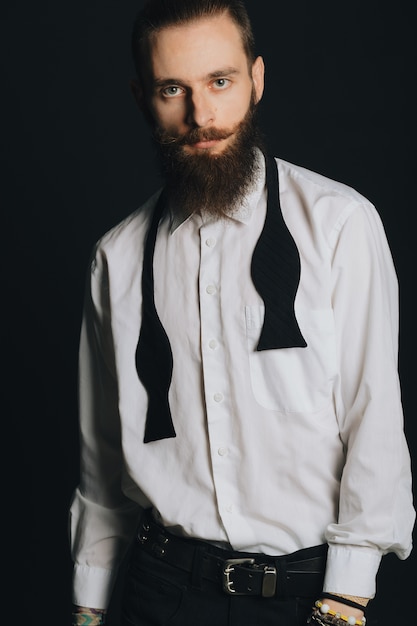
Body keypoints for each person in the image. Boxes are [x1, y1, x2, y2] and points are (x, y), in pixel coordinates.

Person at [69, 1, 415, 625]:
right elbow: (101, 465)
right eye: (173, 89)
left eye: (220, 82)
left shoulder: (339, 225)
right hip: (160, 593)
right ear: (143, 98)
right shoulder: (115, 260)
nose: (201, 116)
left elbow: (375, 417)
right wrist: (88, 606)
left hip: (311, 599)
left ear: (256, 79)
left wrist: (347, 595)